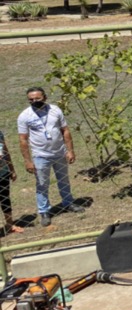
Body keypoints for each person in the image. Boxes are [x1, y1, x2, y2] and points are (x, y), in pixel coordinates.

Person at [17, 87, 84, 227]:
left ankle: (68, 203)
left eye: (37, 98)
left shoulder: (55, 110)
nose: (34, 101)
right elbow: (23, 139)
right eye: (31, 100)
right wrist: (28, 160)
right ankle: (44, 211)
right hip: (41, 156)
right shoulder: (25, 116)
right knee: (42, 184)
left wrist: (70, 150)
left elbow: (65, 130)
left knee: (64, 180)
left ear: (45, 97)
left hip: (59, 152)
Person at [0, 131, 24, 235]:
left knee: (5, 198)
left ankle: (10, 225)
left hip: (2, 172)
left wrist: (11, 169)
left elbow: (5, 151)